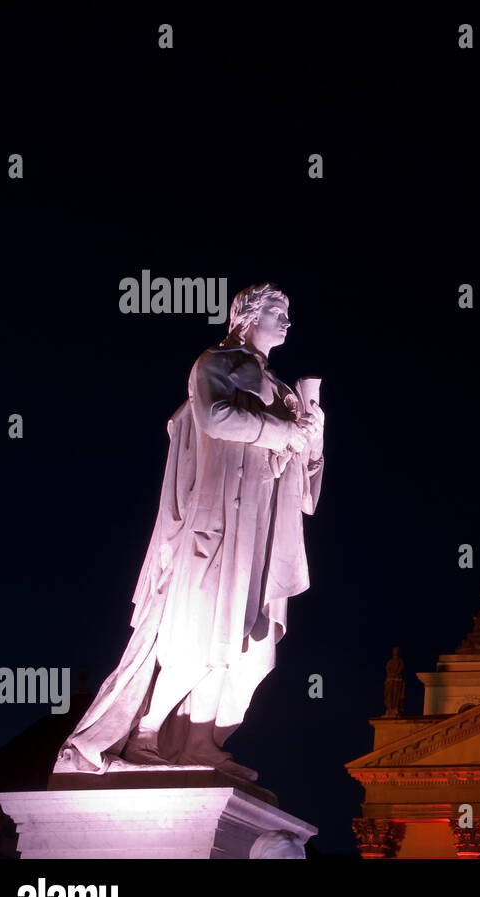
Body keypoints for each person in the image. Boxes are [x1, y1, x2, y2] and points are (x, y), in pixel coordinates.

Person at [53, 283, 325, 782]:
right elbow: (214, 415)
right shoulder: (217, 364)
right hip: (217, 521)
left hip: (262, 529)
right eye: (277, 312)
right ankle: (146, 733)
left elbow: (304, 484)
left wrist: (312, 436)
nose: (287, 322)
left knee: (248, 645)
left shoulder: (284, 390)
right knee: (202, 631)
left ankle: (201, 739)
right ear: (246, 316)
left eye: (288, 313)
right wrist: (285, 430)